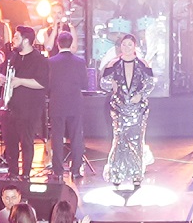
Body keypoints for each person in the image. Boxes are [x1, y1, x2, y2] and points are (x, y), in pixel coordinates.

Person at [101, 34, 155, 188]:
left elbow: (150, 83)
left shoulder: (143, 64)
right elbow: (103, 82)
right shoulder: (113, 63)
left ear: (135, 46)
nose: (126, 47)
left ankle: (136, 174)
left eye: (129, 45)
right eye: (124, 44)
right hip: (119, 107)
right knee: (119, 139)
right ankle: (116, 172)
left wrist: (140, 95)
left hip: (138, 109)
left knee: (137, 140)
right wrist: (112, 84)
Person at [3, 26, 49, 179]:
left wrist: (20, 81)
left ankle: (26, 174)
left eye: (16, 37)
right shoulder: (12, 57)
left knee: (26, 141)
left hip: (29, 108)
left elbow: (42, 83)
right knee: (10, 142)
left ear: (26, 41)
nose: (13, 40)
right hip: (11, 106)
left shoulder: (39, 59)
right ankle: (13, 172)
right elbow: (3, 72)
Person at [48, 31, 88, 181]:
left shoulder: (50, 62)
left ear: (57, 43)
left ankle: (57, 171)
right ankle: (76, 170)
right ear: (71, 44)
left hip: (57, 103)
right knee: (76, 137)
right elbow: (85, 84)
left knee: (57, 138)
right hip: (75, 104)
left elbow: (47, 84)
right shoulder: (80, 61)